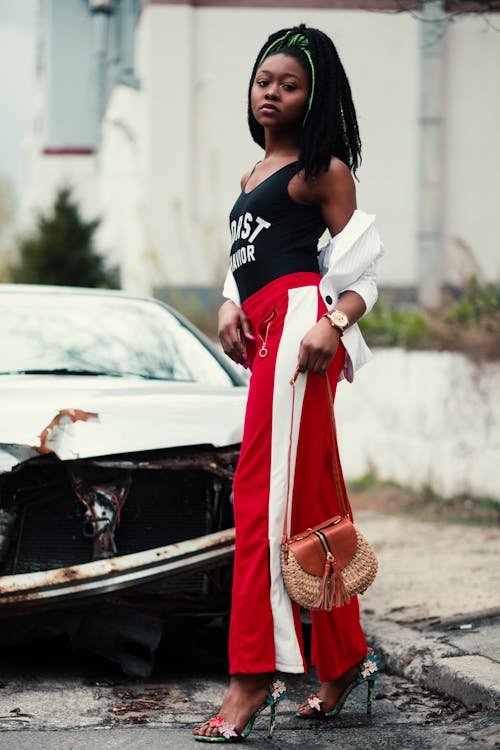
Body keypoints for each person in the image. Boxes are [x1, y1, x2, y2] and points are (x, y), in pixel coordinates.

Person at [193, 24, 383, 743]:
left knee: (260, 503)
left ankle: (251, 679)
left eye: (289, 84)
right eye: (263, 80)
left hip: (303, 334)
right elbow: (244, 263)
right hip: (267, 331)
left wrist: (330, 324)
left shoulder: (321, 169)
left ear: (314, 97)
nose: (271, 91)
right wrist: (227, 306)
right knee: (308, 503)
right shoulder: (251, 176)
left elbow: (363, 274)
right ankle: (342, 664)